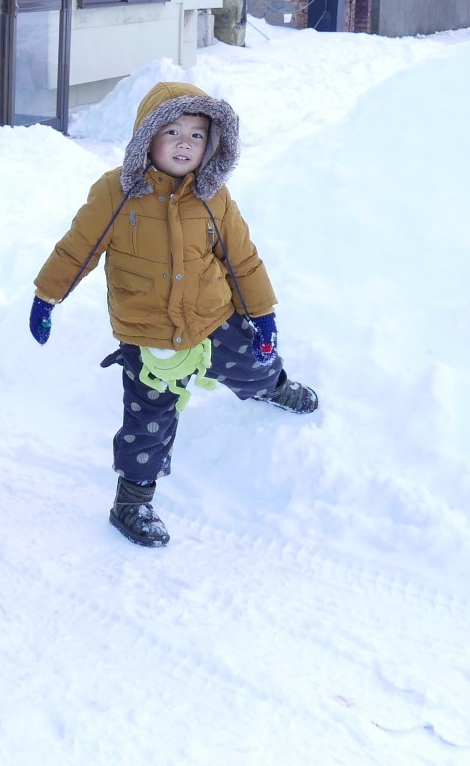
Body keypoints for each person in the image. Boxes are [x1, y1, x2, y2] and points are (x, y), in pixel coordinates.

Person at [28, 81, 318, 548]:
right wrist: (47, 296)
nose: (185, 143)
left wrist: (262, 315)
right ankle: (133, 501)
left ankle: (275, 388)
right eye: (172, 130)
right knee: (148, 421)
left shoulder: (213, 196)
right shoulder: (115, 193)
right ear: (147, 136)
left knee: (254, 363)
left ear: (212, 144)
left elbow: (240, 260)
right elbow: (77, 249)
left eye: (197, 134)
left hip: (212, 317)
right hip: (148, 334)